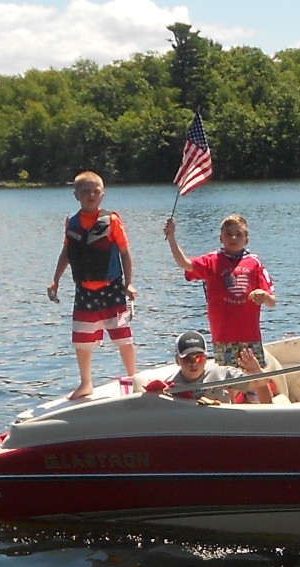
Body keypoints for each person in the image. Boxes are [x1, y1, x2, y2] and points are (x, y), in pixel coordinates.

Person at [46, 171, 136, 399]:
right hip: (84, 290)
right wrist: (55, 279)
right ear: (76, 195)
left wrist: (129, 283)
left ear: (103, 194)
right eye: (85, 191)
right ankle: (86, 383)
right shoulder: (72, 223)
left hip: (113, 289)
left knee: (123, 336)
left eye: (96, 190)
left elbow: (125, 253)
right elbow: (67, 252)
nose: (91, 194)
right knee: (82, 341)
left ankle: (134, 378)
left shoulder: (112, 221)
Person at [162, 211, 275, 373]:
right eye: (228, 234)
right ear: (221, 238)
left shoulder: (254, 263)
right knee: (228, 379)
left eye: (238, 234)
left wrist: (264, 296)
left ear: (246, 239)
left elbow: (272, 301)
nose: (233, 238)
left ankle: (256, 398)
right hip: (224, 337)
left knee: (255, 378)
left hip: (250, 336)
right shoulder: (212, 260)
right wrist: (172, 237)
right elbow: (185, 264)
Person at [150, 330, 255, 403]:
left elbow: (260, 383)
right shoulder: (169, 387)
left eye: (199, 358)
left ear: (206, 358)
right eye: (187, 359)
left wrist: (256, 371)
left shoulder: (221, 374)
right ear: (177, 360)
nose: (194, 363)